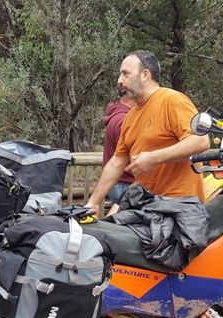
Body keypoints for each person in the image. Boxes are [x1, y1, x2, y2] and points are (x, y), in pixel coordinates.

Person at [85, 50, 209, 215]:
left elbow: (201, 141)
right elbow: (117, 162)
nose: (119, 80)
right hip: (146, 205)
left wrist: (154, 158)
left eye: (125, 74)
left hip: (179, 208)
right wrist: (93, 202)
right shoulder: (130, 117)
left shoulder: (172, 100)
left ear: (145, 75)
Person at [102, 97, 136, 216]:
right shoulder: (124, 120)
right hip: (125, 183)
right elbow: (132, 155)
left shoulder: (118, 115)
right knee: (123, 224)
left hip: (118, 182)